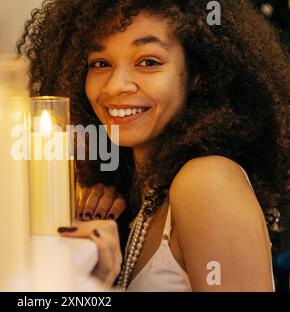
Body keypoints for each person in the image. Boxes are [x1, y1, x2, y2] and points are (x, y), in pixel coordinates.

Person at [17, 0, 289, 291]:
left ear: (199, 74)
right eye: (100, 63)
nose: (115, 86)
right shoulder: (141, 200)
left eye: (148, 62)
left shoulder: (207, 182)